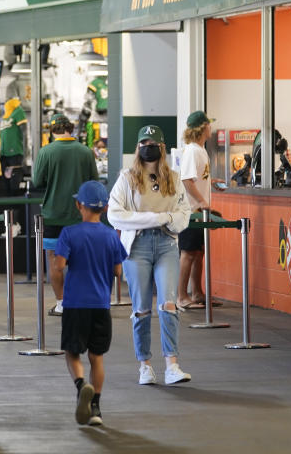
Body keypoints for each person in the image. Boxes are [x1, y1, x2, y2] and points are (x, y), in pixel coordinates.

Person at [108, 124, 192, 386]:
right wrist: (152, 219)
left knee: (168, 304)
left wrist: (165, 219)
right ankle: (144, 365)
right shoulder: (127, 177)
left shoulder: (174, 178)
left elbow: (183, 213)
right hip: (137, 247)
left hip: (166, 243)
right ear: (138, 147)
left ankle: (172, 365)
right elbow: (114, 214)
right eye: (143, 143)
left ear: (161, 148)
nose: (147, 147)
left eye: (152, 144)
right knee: (141, 309)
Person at [56, 180, 127, 427]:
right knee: (97, 357)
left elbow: (60, 266)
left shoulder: (69, 233)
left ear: (79, 205)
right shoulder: (110, 236)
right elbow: (118, 271)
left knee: (72, 352)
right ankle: (95, 406)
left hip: (75, 303)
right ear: (105, 208)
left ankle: (80, 385)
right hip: (100, 304)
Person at [32, 113, 98, 317]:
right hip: (81, 215)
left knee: (54, 261)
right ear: (71, 128)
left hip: (53, 214)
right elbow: (93, 181)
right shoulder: (86, 152)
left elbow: (36, 181)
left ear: (52, 131)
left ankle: (61, 303)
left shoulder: (46, 152)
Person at [177, 110, 215, 310]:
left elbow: (196, 178)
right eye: (209, 124)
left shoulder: (200, 150)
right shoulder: (192, 150)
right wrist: (201, 201)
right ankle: (182, 296)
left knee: (198, 252)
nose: (211, 128)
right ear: (202, 128)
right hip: (191, 211)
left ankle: (197, 292)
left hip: (198, 211)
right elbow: (186, 180)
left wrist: (211, 183)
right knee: (188, 252)